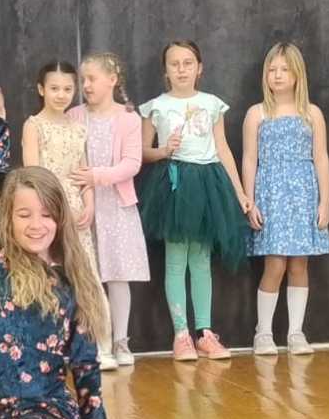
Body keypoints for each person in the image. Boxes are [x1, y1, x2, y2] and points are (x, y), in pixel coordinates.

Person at [0, 81, 121, 419]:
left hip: (36, 405)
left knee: (54, 416)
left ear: (61, 219)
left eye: (47, 215)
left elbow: (85, 361)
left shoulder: (71, 280)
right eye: (25, 215)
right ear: (6, 218)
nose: (36, 225)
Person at [138, 40, 251, 361]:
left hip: (207, 185)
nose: (181, 69)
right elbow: (143, 152)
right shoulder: (155, 107)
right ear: (165, 70)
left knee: (201, 261)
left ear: (199, 68)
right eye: (174, 64)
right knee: (176, 261)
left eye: (188, 63)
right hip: (174, 185)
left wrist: (240, 191)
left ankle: (205, 333)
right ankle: (181, 334)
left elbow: (222, 148)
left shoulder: (212, 103)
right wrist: (164, 150)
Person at [243, 42, 329, 355]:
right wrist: (249, 200)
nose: (278, 75)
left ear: (297, 75)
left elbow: (321, 157)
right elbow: (249, 159)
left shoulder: (312, 113)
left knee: (299, 264)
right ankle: (263, 333)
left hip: (303, 195)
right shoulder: (257, 113)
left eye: (284, 69)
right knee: (275, 264)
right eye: (272, 69)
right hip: (271, 195)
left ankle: (296, 333)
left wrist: (324, 202)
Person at [69, 52, 148, 368]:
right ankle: (93, 341)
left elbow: (132, 163)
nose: (86, 85)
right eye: (83, 80)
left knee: (117, 275)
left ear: (112, 80)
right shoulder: (75, 116)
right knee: (86, 275)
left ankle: (120, 340)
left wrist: (97, 176)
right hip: (83, 206)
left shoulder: (128, 119)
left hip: (116, 206)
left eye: (92, 79)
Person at [22, 60, 103, 353]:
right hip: (48, 210)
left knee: (84, 274)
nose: (61, 94)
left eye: (68, 89)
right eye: (54, 88)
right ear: (41, 89)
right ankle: (46, 343)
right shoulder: (34, 125)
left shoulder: (78, 128)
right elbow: (32, 174)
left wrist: (89, 204)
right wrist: (51, 211)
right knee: (49, 274)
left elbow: (84, 172)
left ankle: (92, 345)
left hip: (77, 211)